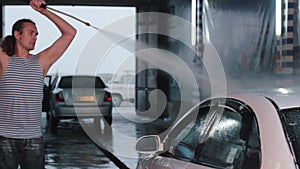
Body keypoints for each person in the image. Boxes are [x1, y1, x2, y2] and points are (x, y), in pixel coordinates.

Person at [0, 0, 76, 168]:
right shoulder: (4, 60)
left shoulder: (41, 61)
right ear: (17, 35)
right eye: (31, 33)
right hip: (5, 139)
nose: (35, 37)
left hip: (33, 140)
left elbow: (70, 33)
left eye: (36, 34)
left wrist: (43, 11)